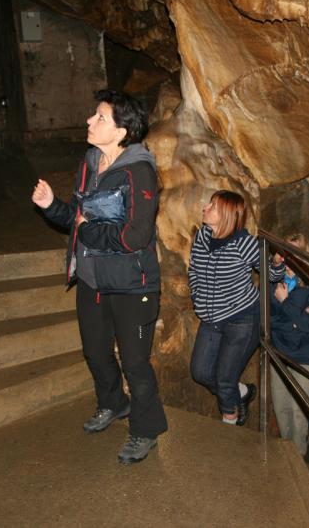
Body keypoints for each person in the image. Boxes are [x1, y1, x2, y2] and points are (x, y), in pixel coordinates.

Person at [31, 89, 166, 465]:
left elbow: (136, 235)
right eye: (94, 115)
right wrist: (51, 206)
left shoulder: (139, 172)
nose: (90, 121)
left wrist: (88, 229)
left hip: (132, 285)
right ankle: (113, 402)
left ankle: (146, 428)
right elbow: (77, 217)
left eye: (100, 117)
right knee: (94, 351)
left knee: (135, 363)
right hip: (92, 279)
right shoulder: (90, 163)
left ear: (122, 131)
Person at [188, 190, 284, 426]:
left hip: (242, 319)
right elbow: (194, 269)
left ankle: (230, 423)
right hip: (211, 319)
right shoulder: (202, 236)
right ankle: (241, 392)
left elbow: (271, 275)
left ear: (227, 215)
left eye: (213, 206)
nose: (205, 208)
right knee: (200, 372)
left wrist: (276, 263)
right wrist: (197, 295)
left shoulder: (245, 243)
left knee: (224, 380)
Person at [269, 234, 309, 455]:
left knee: (298, 409)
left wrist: (285, 302)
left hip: (307, 356)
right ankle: (287, 452)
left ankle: (298, 454)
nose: (287, 257)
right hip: (280, 351)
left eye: (293, 252)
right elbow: (268, 318)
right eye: (284, 251)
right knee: (281, 406)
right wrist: (294, 321)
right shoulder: (274, 279)